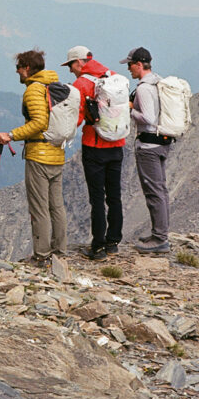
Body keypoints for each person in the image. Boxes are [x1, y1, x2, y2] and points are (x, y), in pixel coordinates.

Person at [0, 48, 67, 264]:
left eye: (18, 68)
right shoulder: (54, 86)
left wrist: (11, 135)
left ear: (26, 68)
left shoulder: (34, 89)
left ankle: (41, 255)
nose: (16, 72)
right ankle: (60, 251)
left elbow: (39, 123)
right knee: (56, 205)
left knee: (39, 207)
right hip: (57, 153)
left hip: (39, 154)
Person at [62, 45, 126, 261]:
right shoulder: (114, 77)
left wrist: (62, 135)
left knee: (97, 198)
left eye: (71, 65)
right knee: (114, 195)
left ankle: (97, 246)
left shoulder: (81, 84)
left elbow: (77, 117)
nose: (70, 70)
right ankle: (113, 242)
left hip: (95, 145)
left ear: (80, 62)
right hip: (117, 143)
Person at [120, 46, 172, 254]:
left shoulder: (143, 88)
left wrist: (130, 109)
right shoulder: (157, 82)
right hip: (161, 143)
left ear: (139, 65)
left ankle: (159, 239)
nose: (129, 69)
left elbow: (148, 118)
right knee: (160, 190)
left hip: (148, 146)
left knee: (153, 191)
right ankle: (159, 233)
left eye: (130, 65)